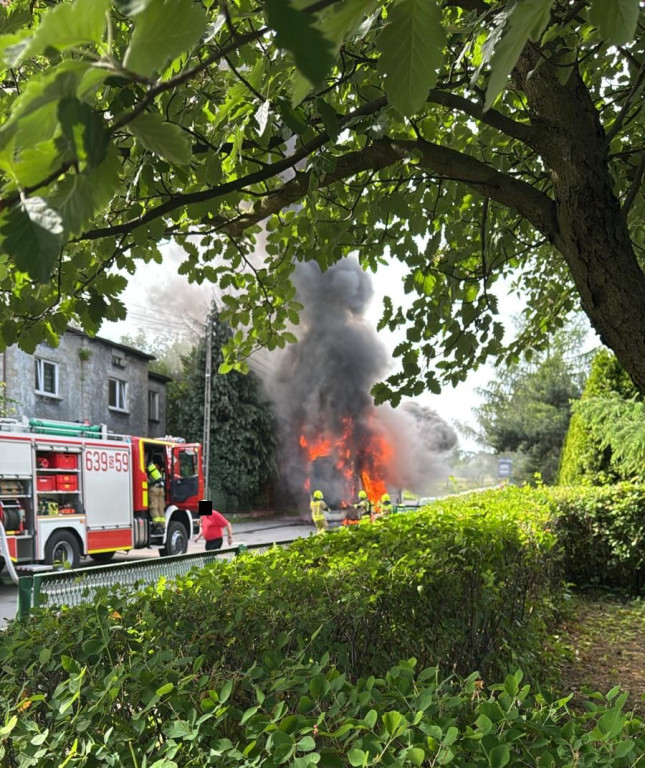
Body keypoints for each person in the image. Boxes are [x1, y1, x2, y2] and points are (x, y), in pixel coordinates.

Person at [147, 460, 166, 533]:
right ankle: (163, 526)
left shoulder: (148, 467)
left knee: (154, 507)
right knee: (161, 508)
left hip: (154, 489)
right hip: (161, 489)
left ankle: (158, 526)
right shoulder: (155, 468)